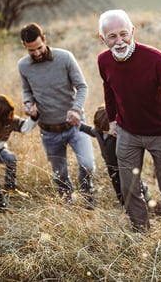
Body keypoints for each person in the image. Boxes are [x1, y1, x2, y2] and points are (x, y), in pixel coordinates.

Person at [97, 9, 161, 243]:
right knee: (128, 185)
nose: (119, 41)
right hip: (128, 131)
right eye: (112, 37)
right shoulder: (104, 60)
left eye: (123, 34)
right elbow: (108, 89)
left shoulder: (155, 59)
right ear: (103, 39)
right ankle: (141, 230)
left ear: (133, 32)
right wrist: (112, 120)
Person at [18, 22, 96, 209]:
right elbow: (27, 91)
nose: (36, 53)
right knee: (59, 174)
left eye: (39, 48)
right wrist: (28, 104)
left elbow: (82, 87)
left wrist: (76, 109)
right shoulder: (23, 66)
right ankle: (67, 204)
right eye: (31, 51)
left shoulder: (65, 58)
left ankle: (87, 199)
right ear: (24, 47)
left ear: (44, 39)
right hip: (49, 130)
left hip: (75, 125)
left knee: (87, 165)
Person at [79, 105, 152, 207]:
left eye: (107, 129)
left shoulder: (118, 135)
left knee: (133, 185)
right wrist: (79, 125)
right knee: (118, 190)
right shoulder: (98, 130)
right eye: (103, 129)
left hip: (125, 165)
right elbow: (91, 131)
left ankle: (145, 197)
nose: (106, 132)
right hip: (111, 167)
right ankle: (125, 206)